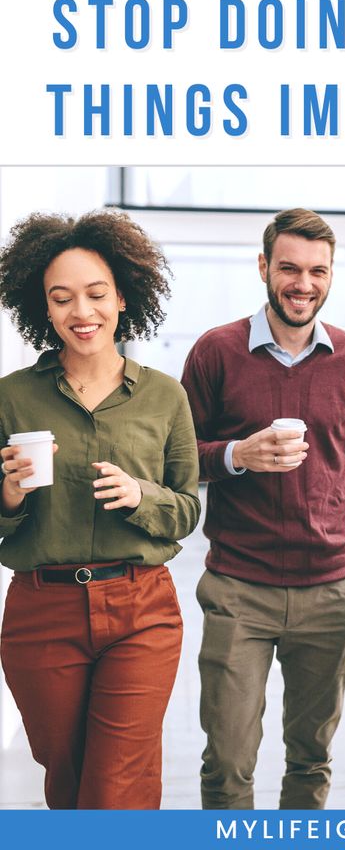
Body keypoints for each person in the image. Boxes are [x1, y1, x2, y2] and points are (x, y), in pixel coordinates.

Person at [180, 207, 345, 810]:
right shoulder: (216, 351)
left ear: (330, 275)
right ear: (265, 267)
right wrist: (237, 454)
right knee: (227, 761)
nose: (303, 284)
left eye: (317, 271)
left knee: (311, 758)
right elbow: (175, 460)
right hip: (239, 587)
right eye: (289, 268)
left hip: (331, 588)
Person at [0, 209, 200, 810]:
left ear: (123, 296)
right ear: (43, 308)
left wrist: (143, 496)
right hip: (42, 612)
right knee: (67, 782)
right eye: (62, 299)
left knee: (118, 786)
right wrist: (8, 496)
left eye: (95, 294)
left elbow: (187, 509)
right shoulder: (11, 396)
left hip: (142, 609)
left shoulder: (165, 396)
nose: (81, 312)